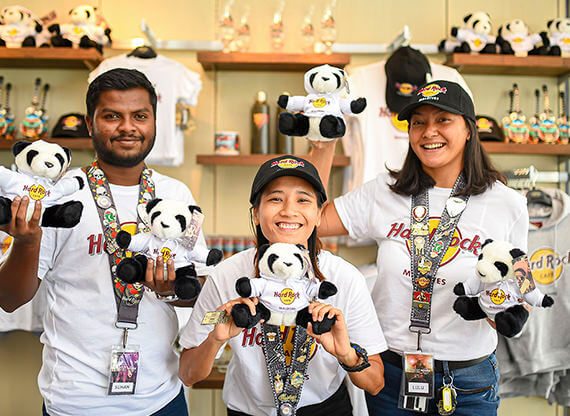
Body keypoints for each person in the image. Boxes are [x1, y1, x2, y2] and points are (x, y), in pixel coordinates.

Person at [0, 68, 208, 415]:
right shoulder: (57, 196)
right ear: (89, 123)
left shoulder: (178, 194)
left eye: (140, 116)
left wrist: (171, 289)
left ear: (154, 121)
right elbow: (9, 299)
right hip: (75, 400)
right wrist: (27, 241)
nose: (127, 127)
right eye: (112, 116)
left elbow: (198, 290)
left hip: (161, 396)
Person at [316, 80, 529, 415]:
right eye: (418, 122)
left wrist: (499, 307)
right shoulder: (385, 191)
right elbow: (308, 219)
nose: (429, 131)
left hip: (468, 382)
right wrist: (323, 142)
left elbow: (523, 291)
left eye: (443, 119)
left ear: (469, 129)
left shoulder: (508, 204)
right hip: (392, 376)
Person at [178, 155, 387, 415]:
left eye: (303, 200)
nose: (289, 210)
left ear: (319, 215)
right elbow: (187, 374)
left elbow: (375, 383)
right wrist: (214, 340)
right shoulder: (227, 276)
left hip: (325, 410)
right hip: (249, 411)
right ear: (256, 214)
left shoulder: (344, 278)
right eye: (275, 199)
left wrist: (346, 354)